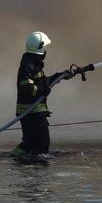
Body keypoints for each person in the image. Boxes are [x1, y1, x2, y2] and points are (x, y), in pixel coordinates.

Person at [11, 30, 90, 162]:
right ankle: (36, 169)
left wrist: (61, 76)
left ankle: (15, 159)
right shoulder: (29, 66)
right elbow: (28, 88)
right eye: (45, 47)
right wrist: (42, 90)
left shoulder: (31, 64)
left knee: (29, 142)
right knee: (42, 143)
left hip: (27, 112)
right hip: (33, 112)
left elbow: (41, 83)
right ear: (41, 48)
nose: (46, 51)